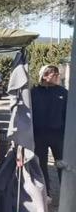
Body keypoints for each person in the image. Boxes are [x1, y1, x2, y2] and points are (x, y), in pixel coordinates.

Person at [31, 64, 68, 193]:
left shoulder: (63, 92)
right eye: (54, 74)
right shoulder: (34, 92)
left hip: (58, 135)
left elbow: (68, 113)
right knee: (41, 165)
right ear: (45, 76)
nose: (57, 76)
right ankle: (45, 193)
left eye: (58, 74)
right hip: (39, 134)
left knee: (62, 164)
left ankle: (66, 191)